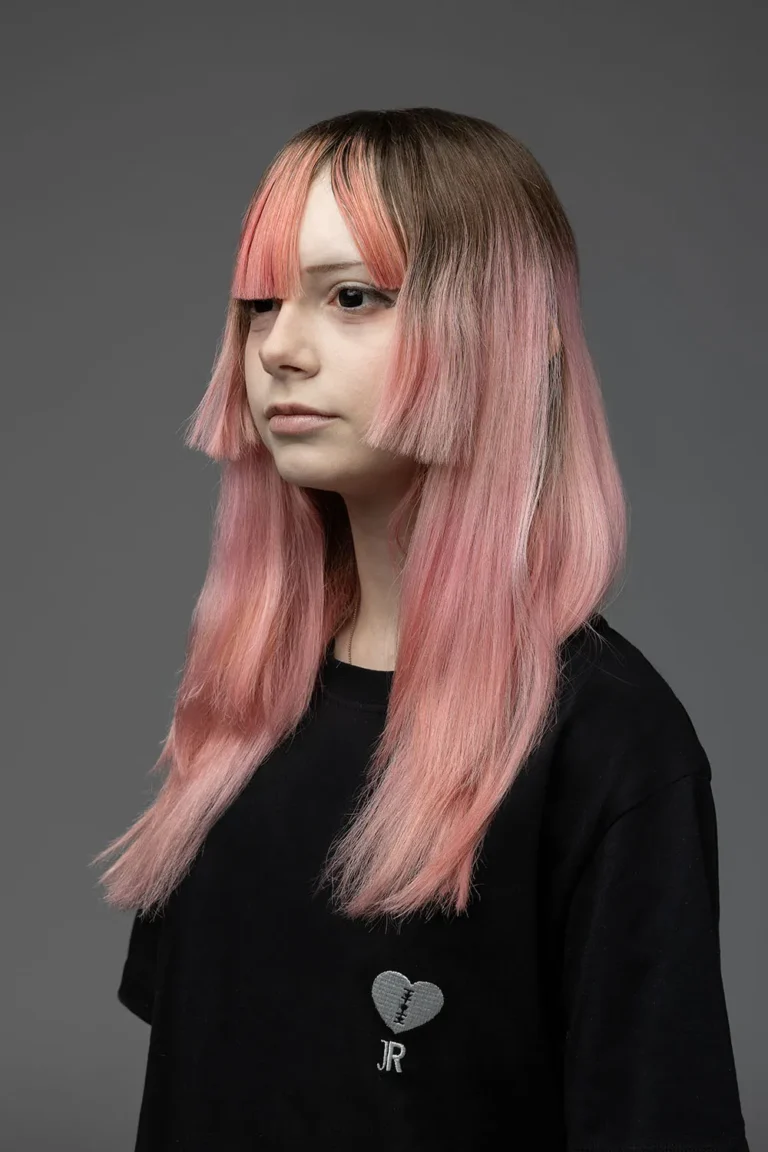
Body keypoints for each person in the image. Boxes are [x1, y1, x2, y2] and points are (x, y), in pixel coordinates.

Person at [91, 107, 750, 1151]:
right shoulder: (241, 711)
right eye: (261, 304)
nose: (280, 349)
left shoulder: (609, 748)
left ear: (507, 334)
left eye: (352, 297)